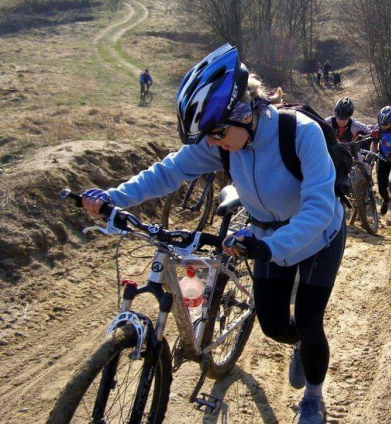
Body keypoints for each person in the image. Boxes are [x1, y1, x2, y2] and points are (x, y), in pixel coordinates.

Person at [81, 43, 344, 424]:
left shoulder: (299, 133)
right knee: (272, 325)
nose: (212, 142)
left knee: (308, 319)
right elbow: (167, 171)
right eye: (207, 136)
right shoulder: (220, 142)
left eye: (217, 132)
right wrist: (112, 196)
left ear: (245, 112)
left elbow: (319, 208)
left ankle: (314, 398)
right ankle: (298, 344)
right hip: (265, 237)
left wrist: (268, 246)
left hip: (320, 236)